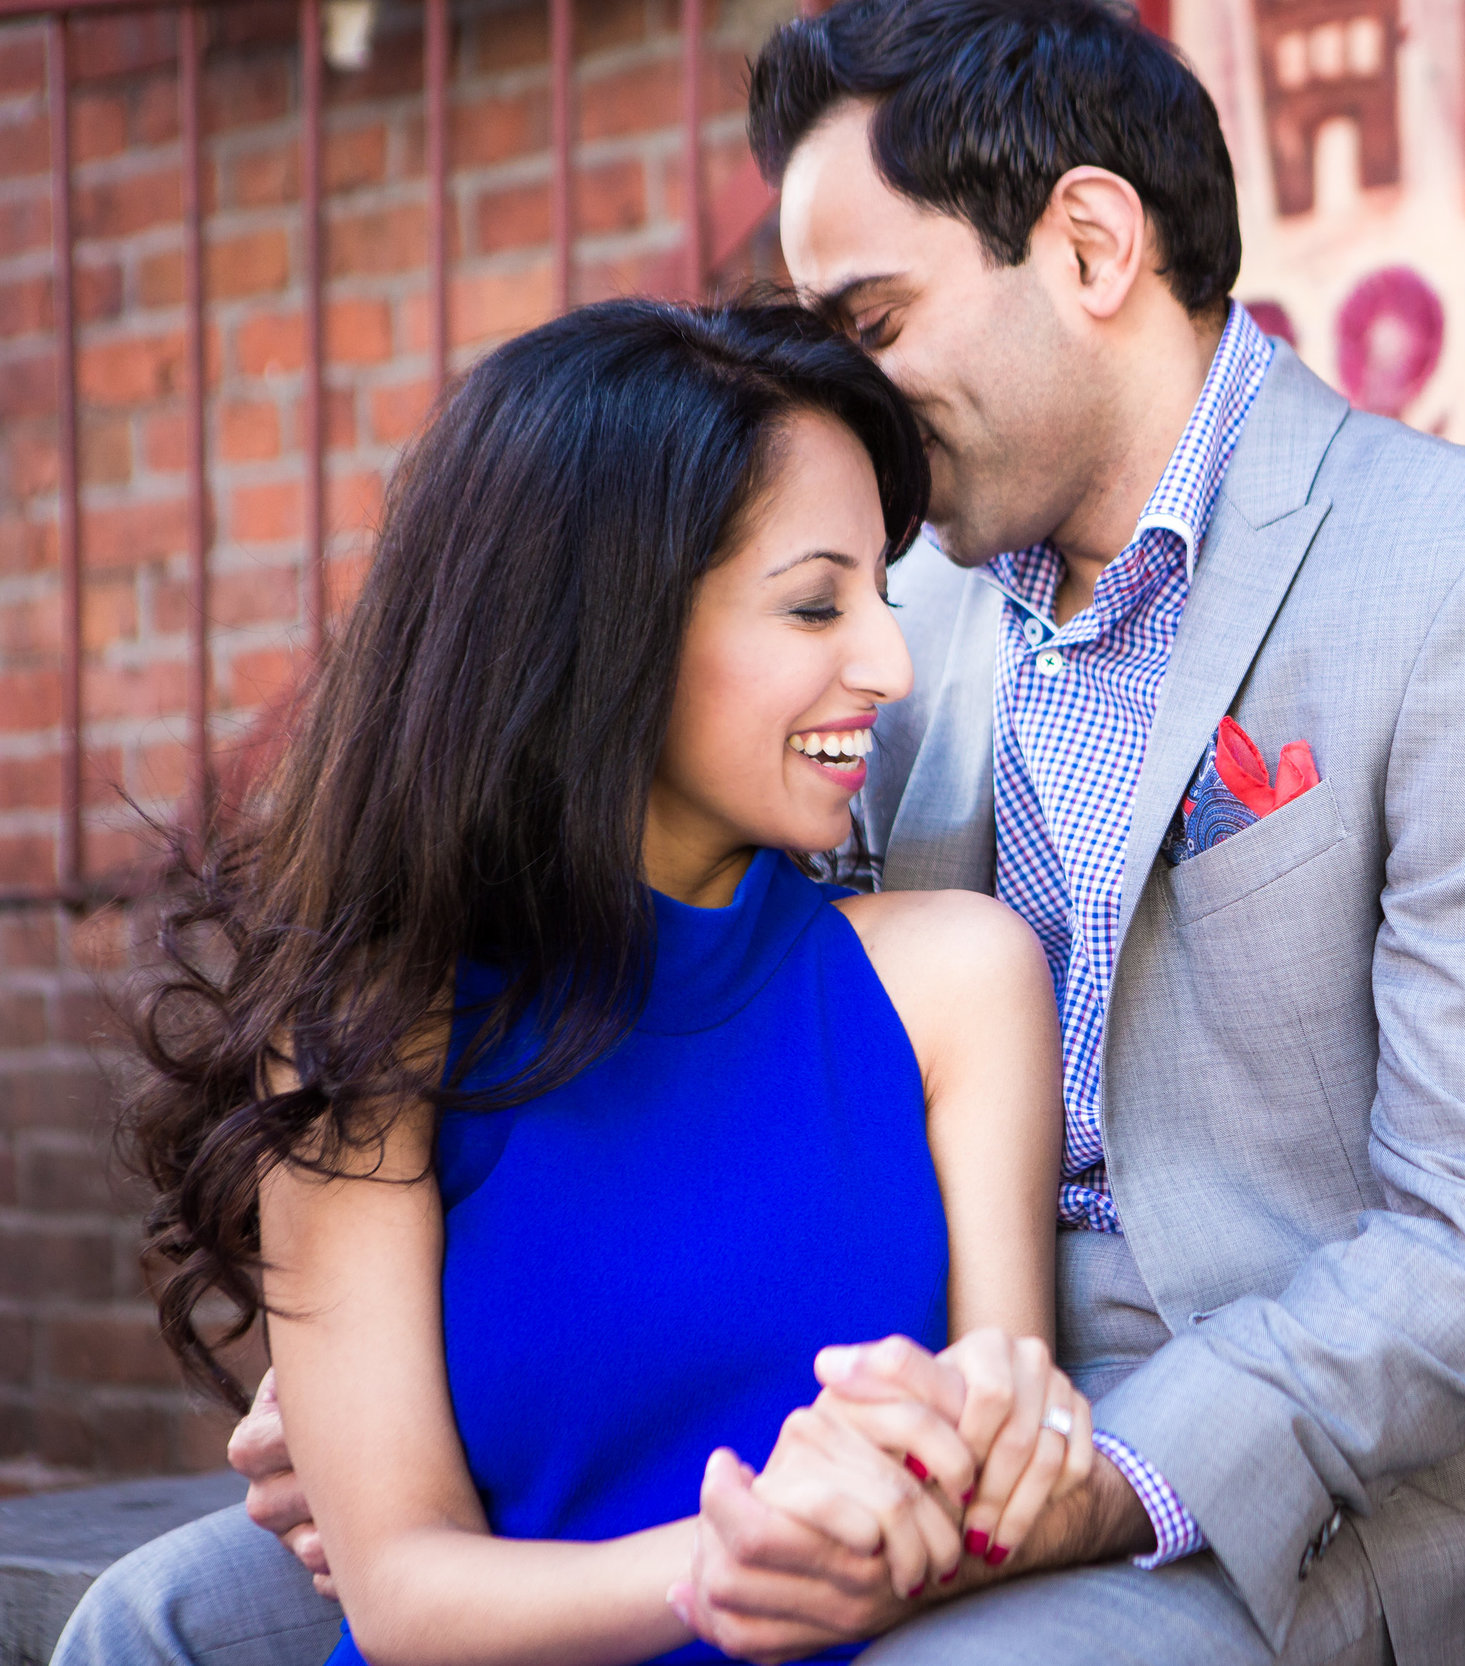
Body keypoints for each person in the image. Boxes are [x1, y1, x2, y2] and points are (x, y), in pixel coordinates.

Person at [56, 2, 1465, 1662]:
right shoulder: (896, 603)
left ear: (1090, 246)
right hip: (836, 1370)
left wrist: (1097, 1471)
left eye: (875, 322)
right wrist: (407, 1345)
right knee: (170, 1623)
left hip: (1334, 1442)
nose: (849, 398)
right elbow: (681, 994)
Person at [80, 298, 1099, 1666]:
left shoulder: (960, 982)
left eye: (882, 594)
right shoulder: (376, 1029)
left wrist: (956, 1479)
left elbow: (996, 1438)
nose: (891, 665)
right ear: (605, 629)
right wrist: (738, 1555)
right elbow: (401, 1589)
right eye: (815, 602)